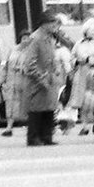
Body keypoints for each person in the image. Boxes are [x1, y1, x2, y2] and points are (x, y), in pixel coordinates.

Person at [24, 11, 64, 147]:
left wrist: (56, 67)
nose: (55, 25)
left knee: (48, 109)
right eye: (52, 22)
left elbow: (52, 57)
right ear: (44, 24)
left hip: (49, 80)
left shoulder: (49, 38)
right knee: (37, 110)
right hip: (38, 82)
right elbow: (30, 63)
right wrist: (41, 78)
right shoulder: (35, 38)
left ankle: (47, 137)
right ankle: (33, 138)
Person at [67, 18, 94, 136]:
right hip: (82, 74)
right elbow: (72, 58)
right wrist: (77, 62)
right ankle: (84, 126)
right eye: (92, 30)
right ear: (86, 31)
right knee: (83, 101)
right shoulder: (79, 43)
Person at [0, 30, 32, 137]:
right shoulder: (13, 49)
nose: (25, 41)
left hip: (23, 82)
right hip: (11, 81)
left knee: (24, 106)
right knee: (10, 104)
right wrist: (1, 80)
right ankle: (9, 128)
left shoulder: (30, 52)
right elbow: (7, 65)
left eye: (27, 38)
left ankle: (30, 127)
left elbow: (32, 67)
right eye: (23, 38)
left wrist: (22, 68)